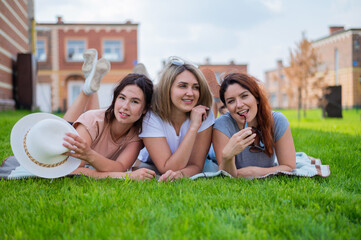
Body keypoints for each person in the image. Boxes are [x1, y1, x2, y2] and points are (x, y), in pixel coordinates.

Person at [62, 49, 156, 180]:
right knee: (79, 122)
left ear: (145, 109)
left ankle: (90, 83)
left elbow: (120, 167)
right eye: (122, 98)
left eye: (134, 101)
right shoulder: (92, 120)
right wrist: (126, 177)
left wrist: (90, 155)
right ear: (115, 98)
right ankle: (87, 88)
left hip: (94, 132)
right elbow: (71, 170)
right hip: (62, 138)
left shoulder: (137, 135)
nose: (125, 107)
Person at [136, 56, 215, 181]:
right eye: (183, 86)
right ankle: (142, 80)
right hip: (152, 165)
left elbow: (196, 164)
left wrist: (181, 175)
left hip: (189, 166)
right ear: (168, 88)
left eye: (196, 87)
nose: (190, 93)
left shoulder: (204, 113)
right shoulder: (151, 116)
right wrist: (193, 127)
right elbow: (166, 168)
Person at [212, 72, 296, 178]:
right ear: (227, 107)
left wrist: (254, 172)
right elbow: (227, 175)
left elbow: (290, 167)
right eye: (231, 101)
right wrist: (227, 156)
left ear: (256, 97)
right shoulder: (222, 126)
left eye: (244, 96)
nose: (239, 105)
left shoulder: (277, 121)